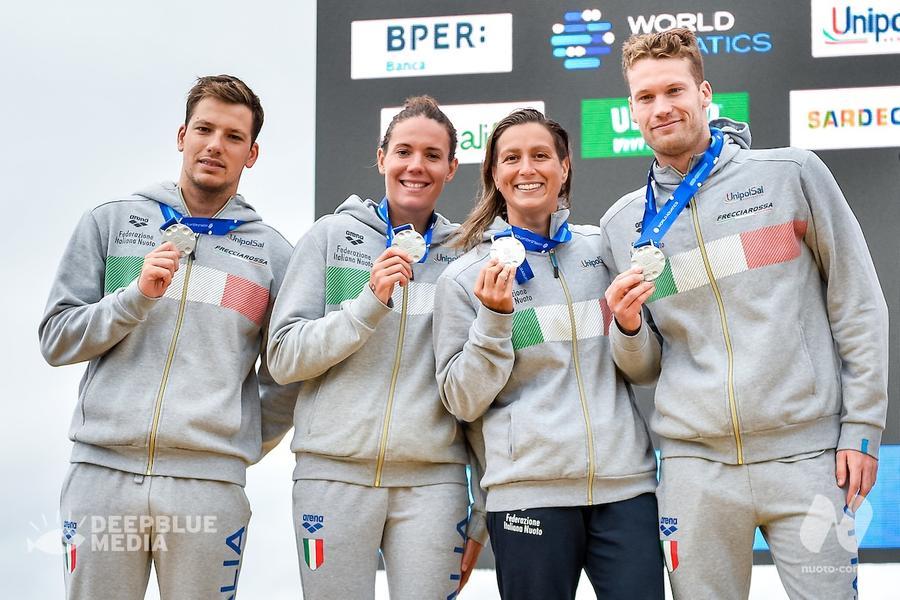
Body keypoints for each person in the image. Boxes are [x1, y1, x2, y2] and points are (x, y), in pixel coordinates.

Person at [600, 28, 888, 599]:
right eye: (646, 97)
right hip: (694, 469)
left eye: (674, 90)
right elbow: (643, 367)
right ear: (631, 109)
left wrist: (863, 428)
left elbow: (857, 304)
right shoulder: (622, 223)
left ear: (705, 92)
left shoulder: (791, 174)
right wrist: (628, 329)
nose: (662, 108)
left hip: (808, 458)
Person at [39, 75, 299, 599]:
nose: (214, 145)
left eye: (232, 137)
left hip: (209, 487)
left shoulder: (274, 256)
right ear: (182, 135)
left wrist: (235, 440)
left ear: (252, 154)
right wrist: (136, 296)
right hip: (103, 477)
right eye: (204, 129)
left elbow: (286, 376)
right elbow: (57, 340)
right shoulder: (110, 224)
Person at [433, 108, 663, 599]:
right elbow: (461, 401)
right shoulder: (464, 278)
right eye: (511, 158)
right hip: (527, 492)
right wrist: (493, 319)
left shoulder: (606, 251)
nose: (527, 168)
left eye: (541, 155)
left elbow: (644, 370)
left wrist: (628, 325)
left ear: (565, 166)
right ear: (494, 174)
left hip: (626, 489)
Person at [266, 95, 485, 600]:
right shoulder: (328, 236)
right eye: (404, 151)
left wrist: (484, 506)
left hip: (434, 483)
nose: (416, 166)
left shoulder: (467, 255)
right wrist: (368, 304)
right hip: (332, 476)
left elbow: (479, 382)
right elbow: (282, 357)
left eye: (433, 155)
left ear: (452, 168)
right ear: (381, 157)